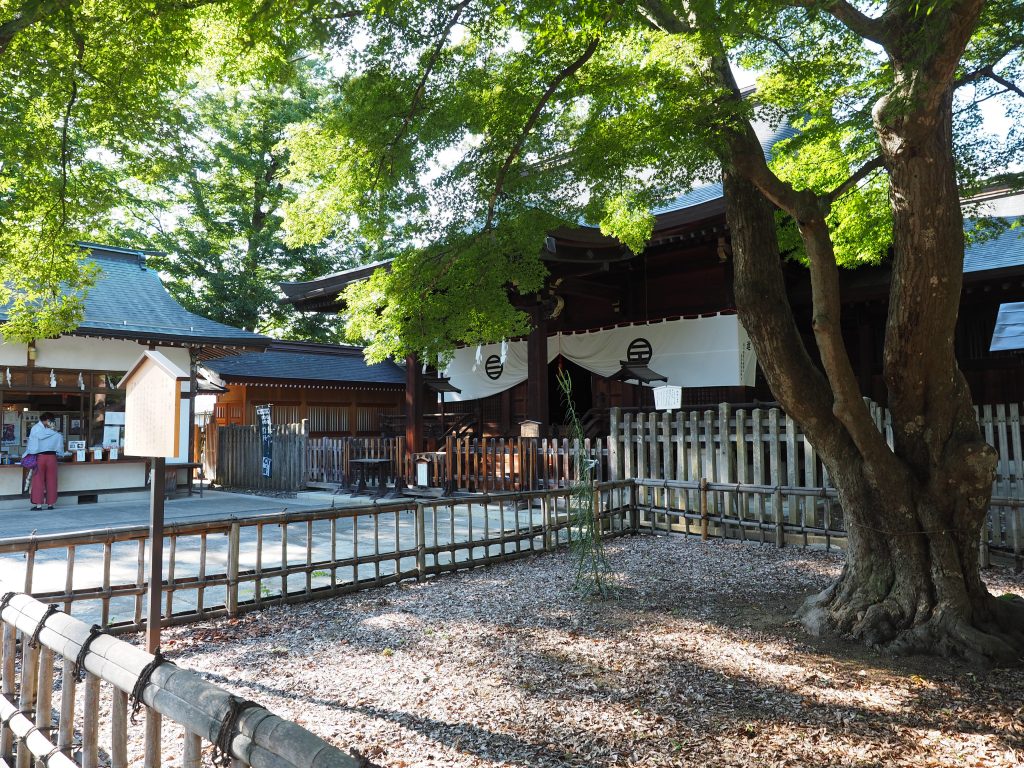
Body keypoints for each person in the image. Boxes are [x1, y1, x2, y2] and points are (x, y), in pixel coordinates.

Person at [26, 412, 64, 511]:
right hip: (52, 458)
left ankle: (38, 505)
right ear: (47, 420)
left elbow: (32, 446)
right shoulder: (57, 434)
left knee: (38, 481)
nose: (52, 422)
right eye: (51, 420)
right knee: (52, 480)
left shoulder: (35, 429)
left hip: (40, 457)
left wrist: (29, 455)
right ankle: (50, 504)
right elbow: (60, 450)